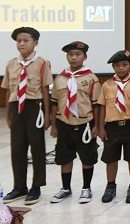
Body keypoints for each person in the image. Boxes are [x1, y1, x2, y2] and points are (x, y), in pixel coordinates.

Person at [1, 27, 52, 205]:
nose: (21, 44)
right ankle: (19, 187)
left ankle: (36, 187)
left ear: (35, 43)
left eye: (26, 40)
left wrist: (47, 115)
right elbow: (9, 91)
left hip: (34, 107)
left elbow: (45, 90)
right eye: (19, 41)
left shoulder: (42, 63)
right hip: (17, 108)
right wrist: (8, 114)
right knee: (17, 149)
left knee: (37, 148)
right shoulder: (11, 64)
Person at [49, 41, 100, 204]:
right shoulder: (59, 78)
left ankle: (86, 188)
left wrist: (97, 126)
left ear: (85, 57)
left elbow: (96, 105)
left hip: (85, 123)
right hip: (64, 123)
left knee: (87, 157)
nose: (74, 57)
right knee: (64, 157)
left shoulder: (91, 78)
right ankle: (66, 188)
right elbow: (54, 103)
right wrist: (53, 125)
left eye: (78, 54)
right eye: (70, 54)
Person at [97, 50, 130, 203]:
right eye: (117, 65)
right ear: (113, 67)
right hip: (112, 126)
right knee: (110, 158)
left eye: (124, 65)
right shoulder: (107, 85)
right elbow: (102, 107)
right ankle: (110, 186)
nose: (121, 68)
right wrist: (101, 127)